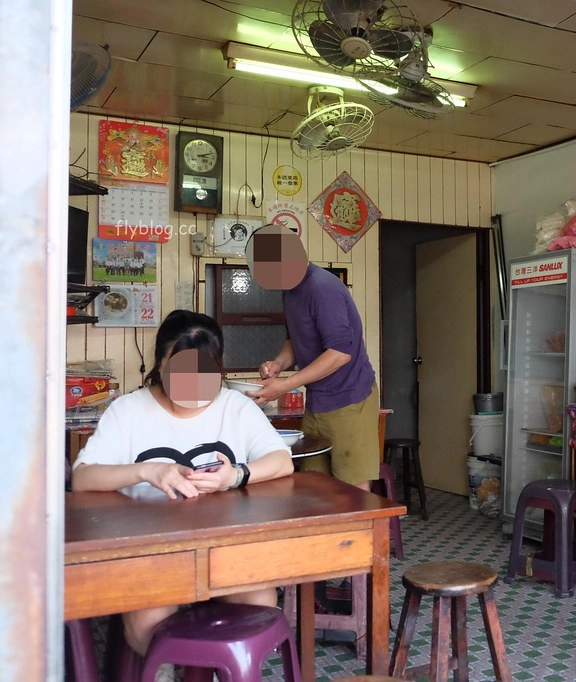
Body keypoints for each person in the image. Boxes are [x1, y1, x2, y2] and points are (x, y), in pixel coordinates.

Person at [71, 309, 294, 660]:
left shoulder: (234, 406)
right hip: (151, 555)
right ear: (160, 364)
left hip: (224, 550)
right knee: (147, 620)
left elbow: (281, 461)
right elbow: (83, 477)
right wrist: (146, 472)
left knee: (260, 602)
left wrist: (235, 475)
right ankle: (161, 668)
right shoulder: (128, 410)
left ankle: (224, 667)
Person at [245, 224, 380, 491]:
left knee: (351, 488)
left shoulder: (322, 288)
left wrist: (284, 385)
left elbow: (341, 353)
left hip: (349, 400)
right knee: (314, 485)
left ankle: (355, 534)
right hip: (318, 401)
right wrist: (278, 365)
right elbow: (294, 340)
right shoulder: (290, 289)